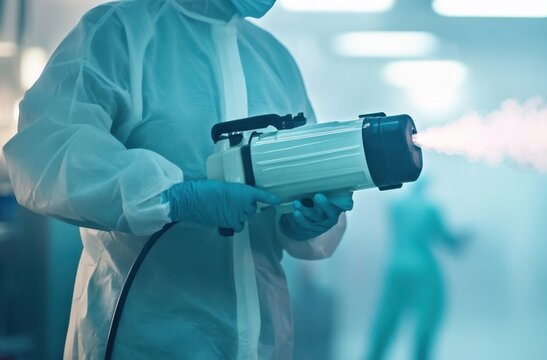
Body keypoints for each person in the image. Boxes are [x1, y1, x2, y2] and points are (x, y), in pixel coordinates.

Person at [1, 0, 352, 357]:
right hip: (144, 340)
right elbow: (44, 150)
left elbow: (302, 176)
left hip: (260, 343)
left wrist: (302, 221)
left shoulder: (274, 59)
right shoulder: (121, 33)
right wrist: (173, 198)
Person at [366, 179, 464, 360]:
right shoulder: (431, 209)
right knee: (425, 325)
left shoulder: (396, 207)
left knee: (385, 323)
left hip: (396, 268)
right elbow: (448, 241)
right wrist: (462, 240)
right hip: (423, 270)